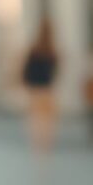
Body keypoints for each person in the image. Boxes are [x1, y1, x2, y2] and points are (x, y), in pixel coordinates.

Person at [21, 18, 59, 156]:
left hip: (36, 90)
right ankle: (45, 148)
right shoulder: (52, 50)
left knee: (36, 122)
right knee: (47, 123)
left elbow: (27, 70)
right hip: (46, 90)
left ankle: (38, 149)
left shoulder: (35, 50)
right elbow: (55, 71)